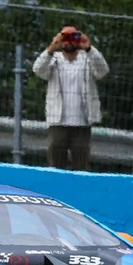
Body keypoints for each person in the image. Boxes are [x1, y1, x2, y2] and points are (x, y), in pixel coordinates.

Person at [32, 25, 109, 171]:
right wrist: (51, 48)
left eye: (73, 37)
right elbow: (38, 69)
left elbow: (102, 71)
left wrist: (89, 48)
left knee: (81, 165)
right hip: (58, 120)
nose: (68, 41)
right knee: (56, 163)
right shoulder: (53, 59)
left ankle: (79, 191)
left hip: (82, 121)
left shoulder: (87, 58)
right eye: (65, 38)